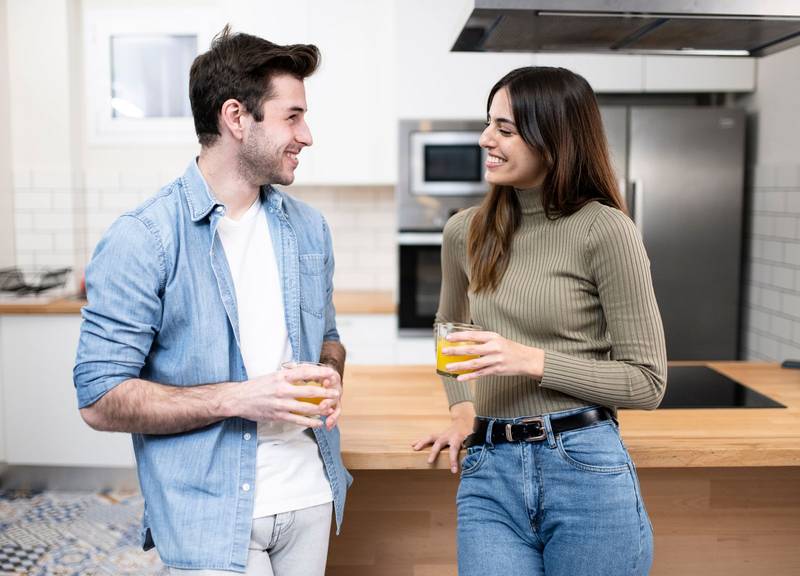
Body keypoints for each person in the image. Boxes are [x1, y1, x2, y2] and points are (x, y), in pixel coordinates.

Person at [73, 25, 351, 576]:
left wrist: (329, 371)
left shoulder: (310, 230)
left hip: (310, 495)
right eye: (291, 116)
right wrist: (239, 398)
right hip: (207, 512)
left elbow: (330, 339)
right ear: (236, 117)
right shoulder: (145, 238)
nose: (307, 135)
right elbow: (99, 399)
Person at [413, 66, 667, 576]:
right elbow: (450, 330)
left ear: (553, 139)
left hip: (584, 467)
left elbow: (647, 382)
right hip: (489, 471)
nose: (486, 139)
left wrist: (529, 360)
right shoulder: (464, 231)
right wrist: (463, 411)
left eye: (505, 129)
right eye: (489, 124)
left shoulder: (605, 230)